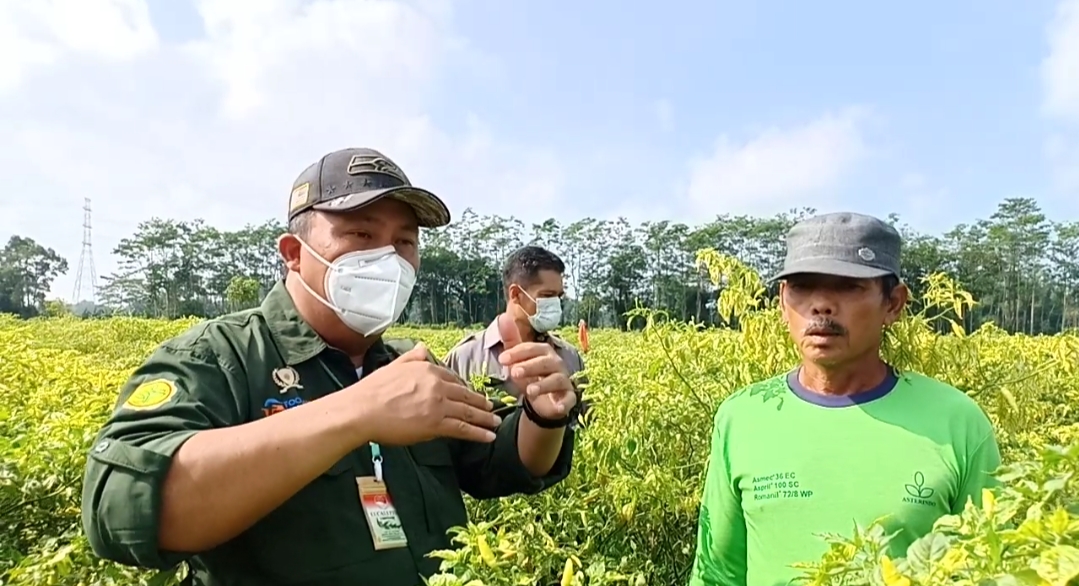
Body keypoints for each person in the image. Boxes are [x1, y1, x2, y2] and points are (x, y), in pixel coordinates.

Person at [80, 148, 578, 586]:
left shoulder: (411, 367)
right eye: (361, 233)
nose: (388, 258)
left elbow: (501, 460)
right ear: (295, 253)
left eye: (405, 242)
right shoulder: (221, 357)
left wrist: (544, 415)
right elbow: (120, 506)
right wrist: (357, 411)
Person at [688, 212, 1001, 586]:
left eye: (849, 286)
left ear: (894, 304)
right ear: (782, 301)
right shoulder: (742, 418)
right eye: (802, 287)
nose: (821, 305)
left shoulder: (958, 423)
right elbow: (718, 572)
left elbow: (989, 569)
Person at [443, 245, 589, 429]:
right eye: (547, 296)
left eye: (558, 297)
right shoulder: (465, 357)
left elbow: (586, 426)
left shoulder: (569, 356)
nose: (555, 305)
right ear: (516, 295)